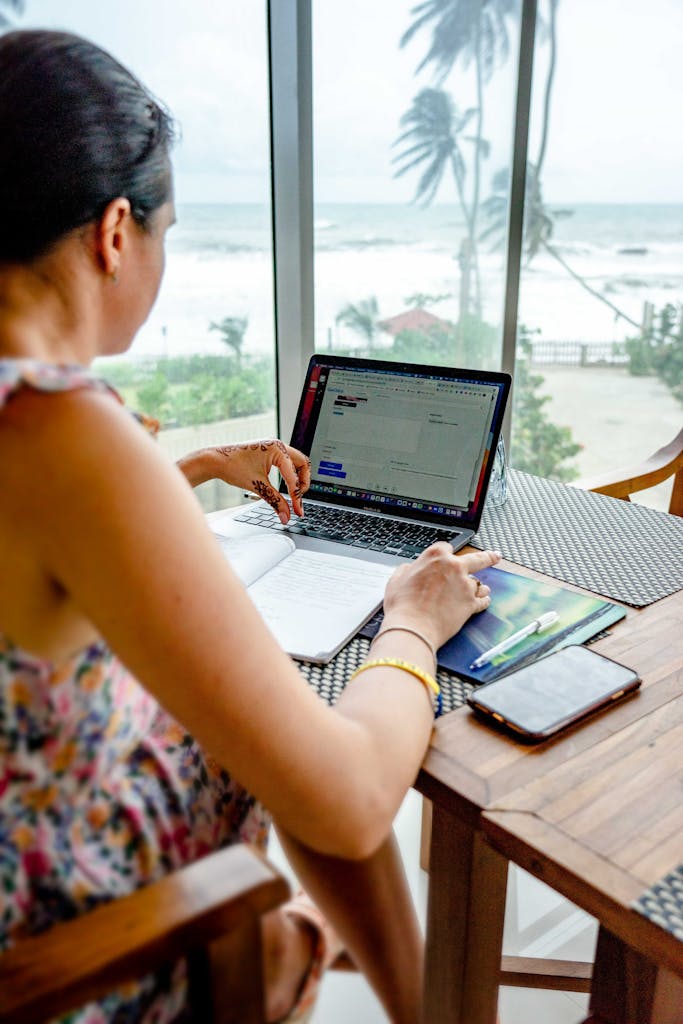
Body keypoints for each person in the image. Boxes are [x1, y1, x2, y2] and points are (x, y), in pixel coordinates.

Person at [0, 28, 500, 1024]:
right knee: (322, 767)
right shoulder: (61, 426)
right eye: (165, 230)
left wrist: (183, 468)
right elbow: (353, 800)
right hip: (83, 960)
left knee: (259, 737)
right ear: (112, 233)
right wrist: (410, 617)